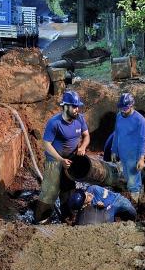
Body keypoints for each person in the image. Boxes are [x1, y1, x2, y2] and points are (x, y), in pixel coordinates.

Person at [34, 90, 90, 223]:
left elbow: (86, 135)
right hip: (55, 161)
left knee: (68, 190)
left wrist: (82, 147)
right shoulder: (54, 123)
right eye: (74, 106)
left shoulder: (80, 119)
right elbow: (46, 144)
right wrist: (60, 160)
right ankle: (40, 220)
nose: (77, 109)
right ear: (65, 106)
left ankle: (68, 217)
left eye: (78, 106)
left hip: (71, 160)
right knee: (50, 192)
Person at [111, 93, 145, 202]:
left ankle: (134, 203)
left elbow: (142, 140)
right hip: (122, 153)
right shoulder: (119, 116)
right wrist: (114, 150)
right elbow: (117, 133)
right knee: (128, 178)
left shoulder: (140, 120)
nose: (123, 111)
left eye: (125, 108)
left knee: (132, 182)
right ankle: (139, 194)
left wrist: (141, 159)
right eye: (121, 108)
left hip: (133, 155)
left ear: (132, 106)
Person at [67, 185, 137, 224]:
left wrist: (103, 205)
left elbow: (109, 199)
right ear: (83, 204)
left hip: (115, 200)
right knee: (108, 221)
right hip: (106, 209)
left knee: (131, 211)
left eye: (86, 193)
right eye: (86, 198)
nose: (88, 194)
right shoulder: (84, 206)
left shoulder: (95, 189)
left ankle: (133, 221)